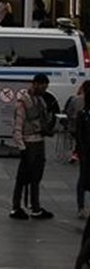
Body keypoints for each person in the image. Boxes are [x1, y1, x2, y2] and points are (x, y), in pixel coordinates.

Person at [9, 73, 54, 220]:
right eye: (43, 86)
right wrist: (21, 147)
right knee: (22, 177)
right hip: (29, 142)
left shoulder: (40, 100)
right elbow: (18, 125)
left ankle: (36, 207)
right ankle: (16, 207)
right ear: (35, 84)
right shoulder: (23, 102)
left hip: (39, 140)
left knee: (36, 176)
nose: (44, 89)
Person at [74, 81, 90, 218]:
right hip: (85, 151)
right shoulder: (83, 114)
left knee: (84, 178)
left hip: (85, 151)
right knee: (83, 178)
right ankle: (81, 206)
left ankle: (82, 206)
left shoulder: (83, 114)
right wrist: (80, 151)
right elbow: (79, 134)